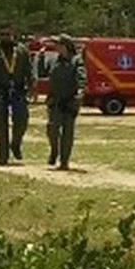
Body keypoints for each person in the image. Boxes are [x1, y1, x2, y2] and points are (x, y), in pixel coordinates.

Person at [0, 24, 35, 165]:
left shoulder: (22, 50)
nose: (5, 37)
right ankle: (3, 155)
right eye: (2, 34)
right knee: (0, 124)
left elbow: (29, 70)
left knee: (22, 119)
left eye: (8, 34)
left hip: (18, 90)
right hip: (1, 91)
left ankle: (16, 144)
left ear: (13, 34)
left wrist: (32, 87)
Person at [46, 34, 82, 170]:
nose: (56, 47)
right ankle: (54, 150)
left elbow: (81, 75)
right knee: (52, 129)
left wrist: (80, 91)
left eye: (58, 45)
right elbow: (44, 73)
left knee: (67, 133)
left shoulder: (76, 60)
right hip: (55, 100)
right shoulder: (54, 61)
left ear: (66, 46)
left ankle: (64, 161)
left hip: (69, 101)